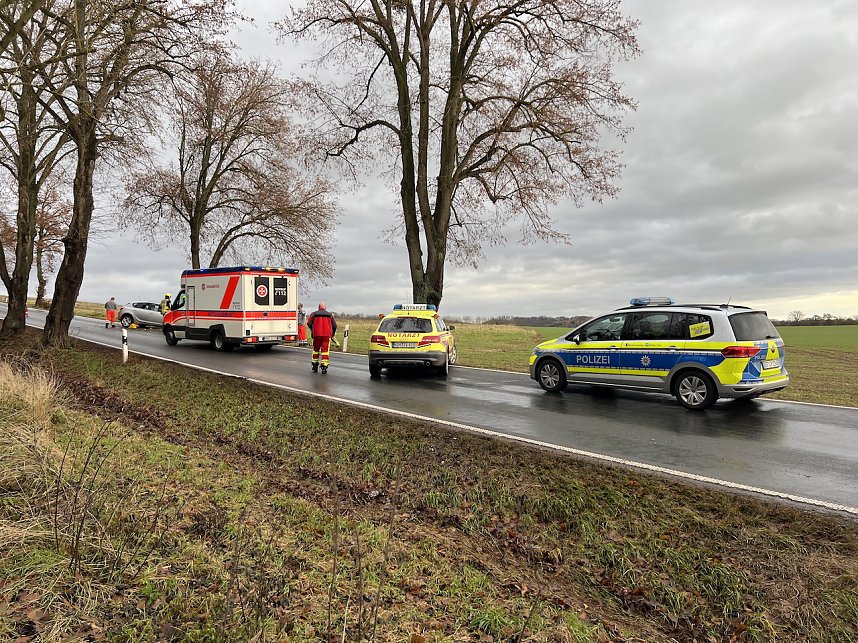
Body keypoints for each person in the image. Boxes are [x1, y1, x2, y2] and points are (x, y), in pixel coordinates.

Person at [307, 302, 336, 374]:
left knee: (316, 350)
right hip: (326, 335)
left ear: (318, 307)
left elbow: (309, 323)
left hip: (317, 334)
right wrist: (332, 334)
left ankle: (315, 364)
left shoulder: (314, 314)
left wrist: (313, 329)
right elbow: (334, 325)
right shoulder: (330, 315)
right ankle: (324, 366)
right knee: (325, 351)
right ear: (325, 308)